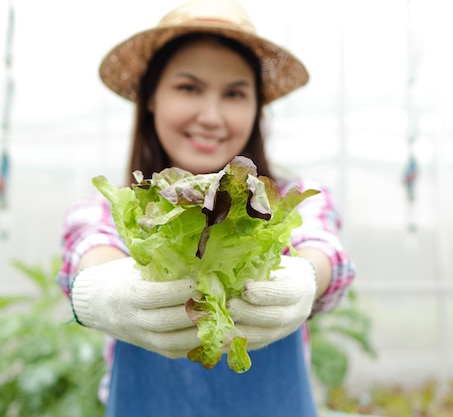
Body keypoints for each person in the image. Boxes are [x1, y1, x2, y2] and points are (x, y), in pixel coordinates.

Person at [56, 0, 356, 416]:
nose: (211, 116)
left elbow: (325, 252)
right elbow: (89, 251)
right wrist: (102, 290)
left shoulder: (294, 197)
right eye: (188, 88)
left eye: (234, 93)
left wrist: (308, 276)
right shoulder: (104, 209)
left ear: (256, 109)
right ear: (151, 99)